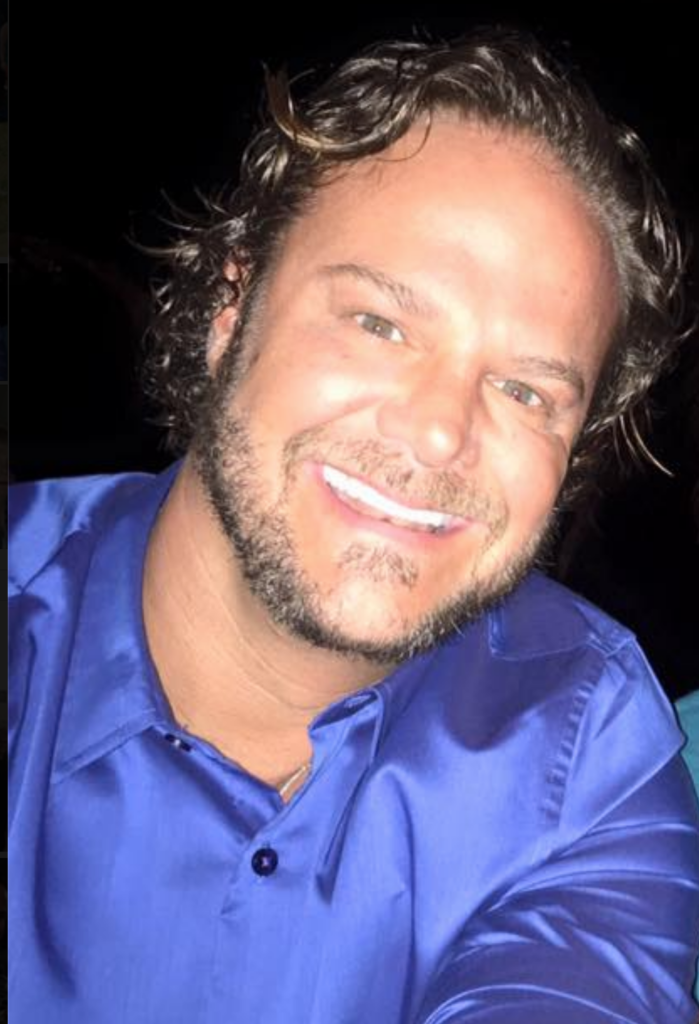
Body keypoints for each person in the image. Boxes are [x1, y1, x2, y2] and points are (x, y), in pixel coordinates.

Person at [8, 28, 699, 1023]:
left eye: (524, 390)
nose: (440, 430)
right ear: (232, 310)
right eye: (379, 323)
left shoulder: (584, 756)